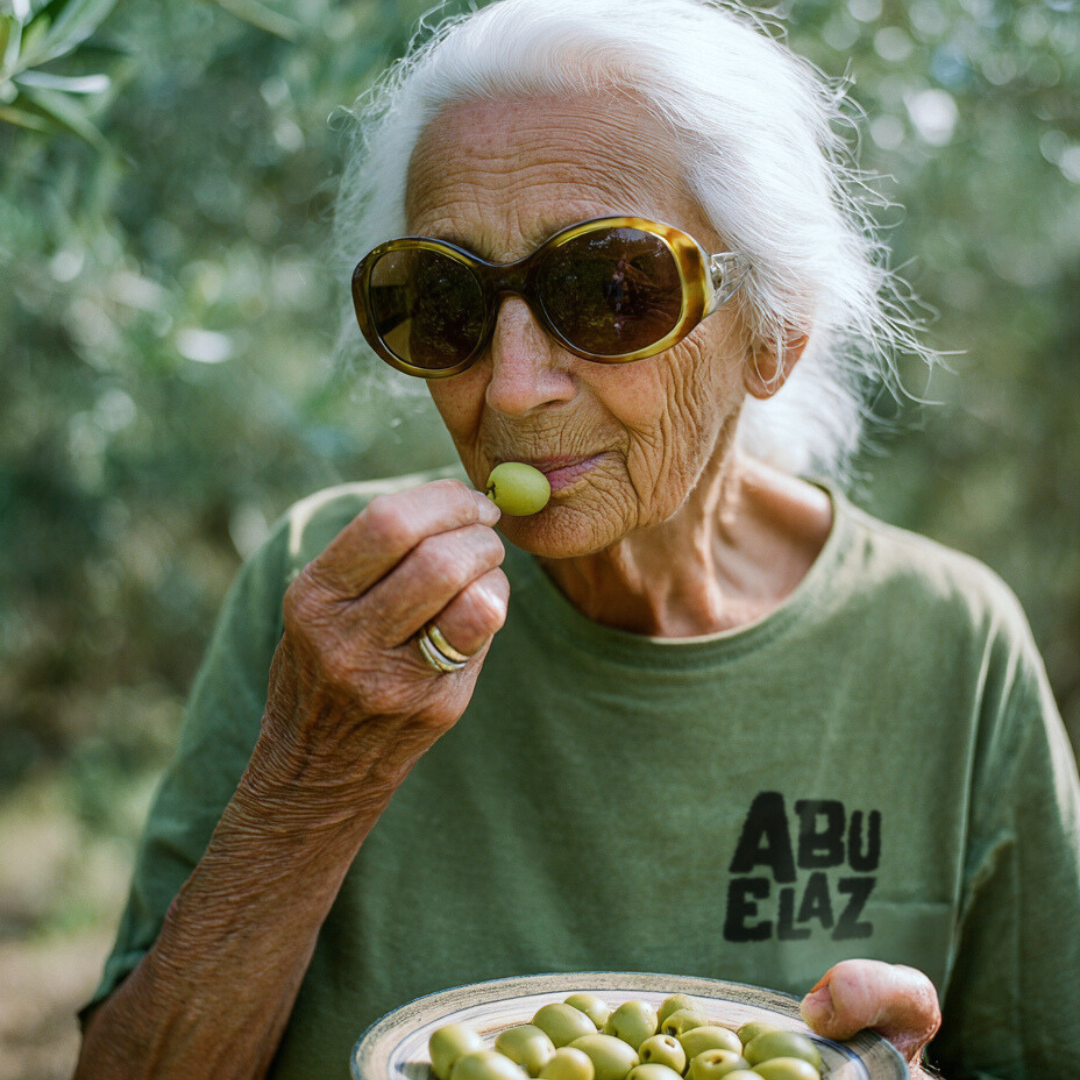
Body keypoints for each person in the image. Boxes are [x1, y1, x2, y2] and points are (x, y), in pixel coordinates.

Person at [75, 1, 1080, 1078]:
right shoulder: (331, 600)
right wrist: (311, 775)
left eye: (609, 291)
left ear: (775, 330)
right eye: (445, 299)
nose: (510, 388)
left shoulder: (946, 644)